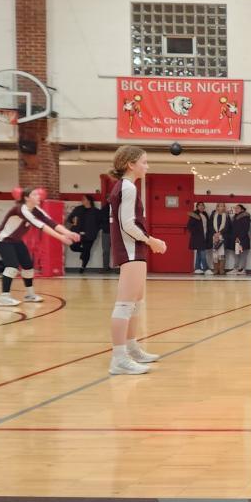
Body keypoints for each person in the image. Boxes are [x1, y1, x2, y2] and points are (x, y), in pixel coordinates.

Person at [107, 146, 167, 375]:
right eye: (144, 162)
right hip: (130, 249)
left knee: (135, 302)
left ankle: (131, 348)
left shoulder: (126, 187)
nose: (147, 166)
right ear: (130, 164)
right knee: (124, 304)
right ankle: (119, 358)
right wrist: (152, 241)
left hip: (134, 249)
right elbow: (127, 225)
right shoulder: (128, 187)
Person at [0, 188, 76, 307]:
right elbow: (41, 225)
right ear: (26, 198)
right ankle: (4, 297)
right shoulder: (21, 209)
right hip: (4, 240)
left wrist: (68, 233)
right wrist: (61, 238)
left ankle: (30, 295)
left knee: (28, 266)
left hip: (16, 240)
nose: (39, 196)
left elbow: (50, 222)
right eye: (35, 194)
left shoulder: (35, 209)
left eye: (38, 194)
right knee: (12, 267)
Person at [66, 195, 101, 274]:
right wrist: (72, 222)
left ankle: (83, 266)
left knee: (87, 251)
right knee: (73, 247)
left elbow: (100, 223)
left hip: (90, 234)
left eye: (84, 199)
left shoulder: (96, 211)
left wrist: (95, 230)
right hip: (77, 233)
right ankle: (84, 250)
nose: (82, 200)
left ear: (89, 201)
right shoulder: (78, 209)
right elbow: (70, 218)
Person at [188, 201, 212, 275]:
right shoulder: (194, 214)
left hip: (205, 236)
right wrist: (197, 233)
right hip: (198, 237)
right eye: (199, 205)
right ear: (197, 207)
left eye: (202, 205)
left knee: (199, 252)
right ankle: (206, 268)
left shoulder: (205, 214)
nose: (201, 206)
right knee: (202, 252)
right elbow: (189, 226)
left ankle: (197, 268)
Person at [230, 204, 251, 275]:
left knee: (243, 255)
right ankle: (235, 269)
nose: (236, 209)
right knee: (236, 254)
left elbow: (246, 229)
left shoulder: (245, 217)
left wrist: (239, 237)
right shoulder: (234, 217)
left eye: (238, 208)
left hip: (243, 239)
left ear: (242, 209)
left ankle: (243, 269)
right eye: (235, 208)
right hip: (236, 239)